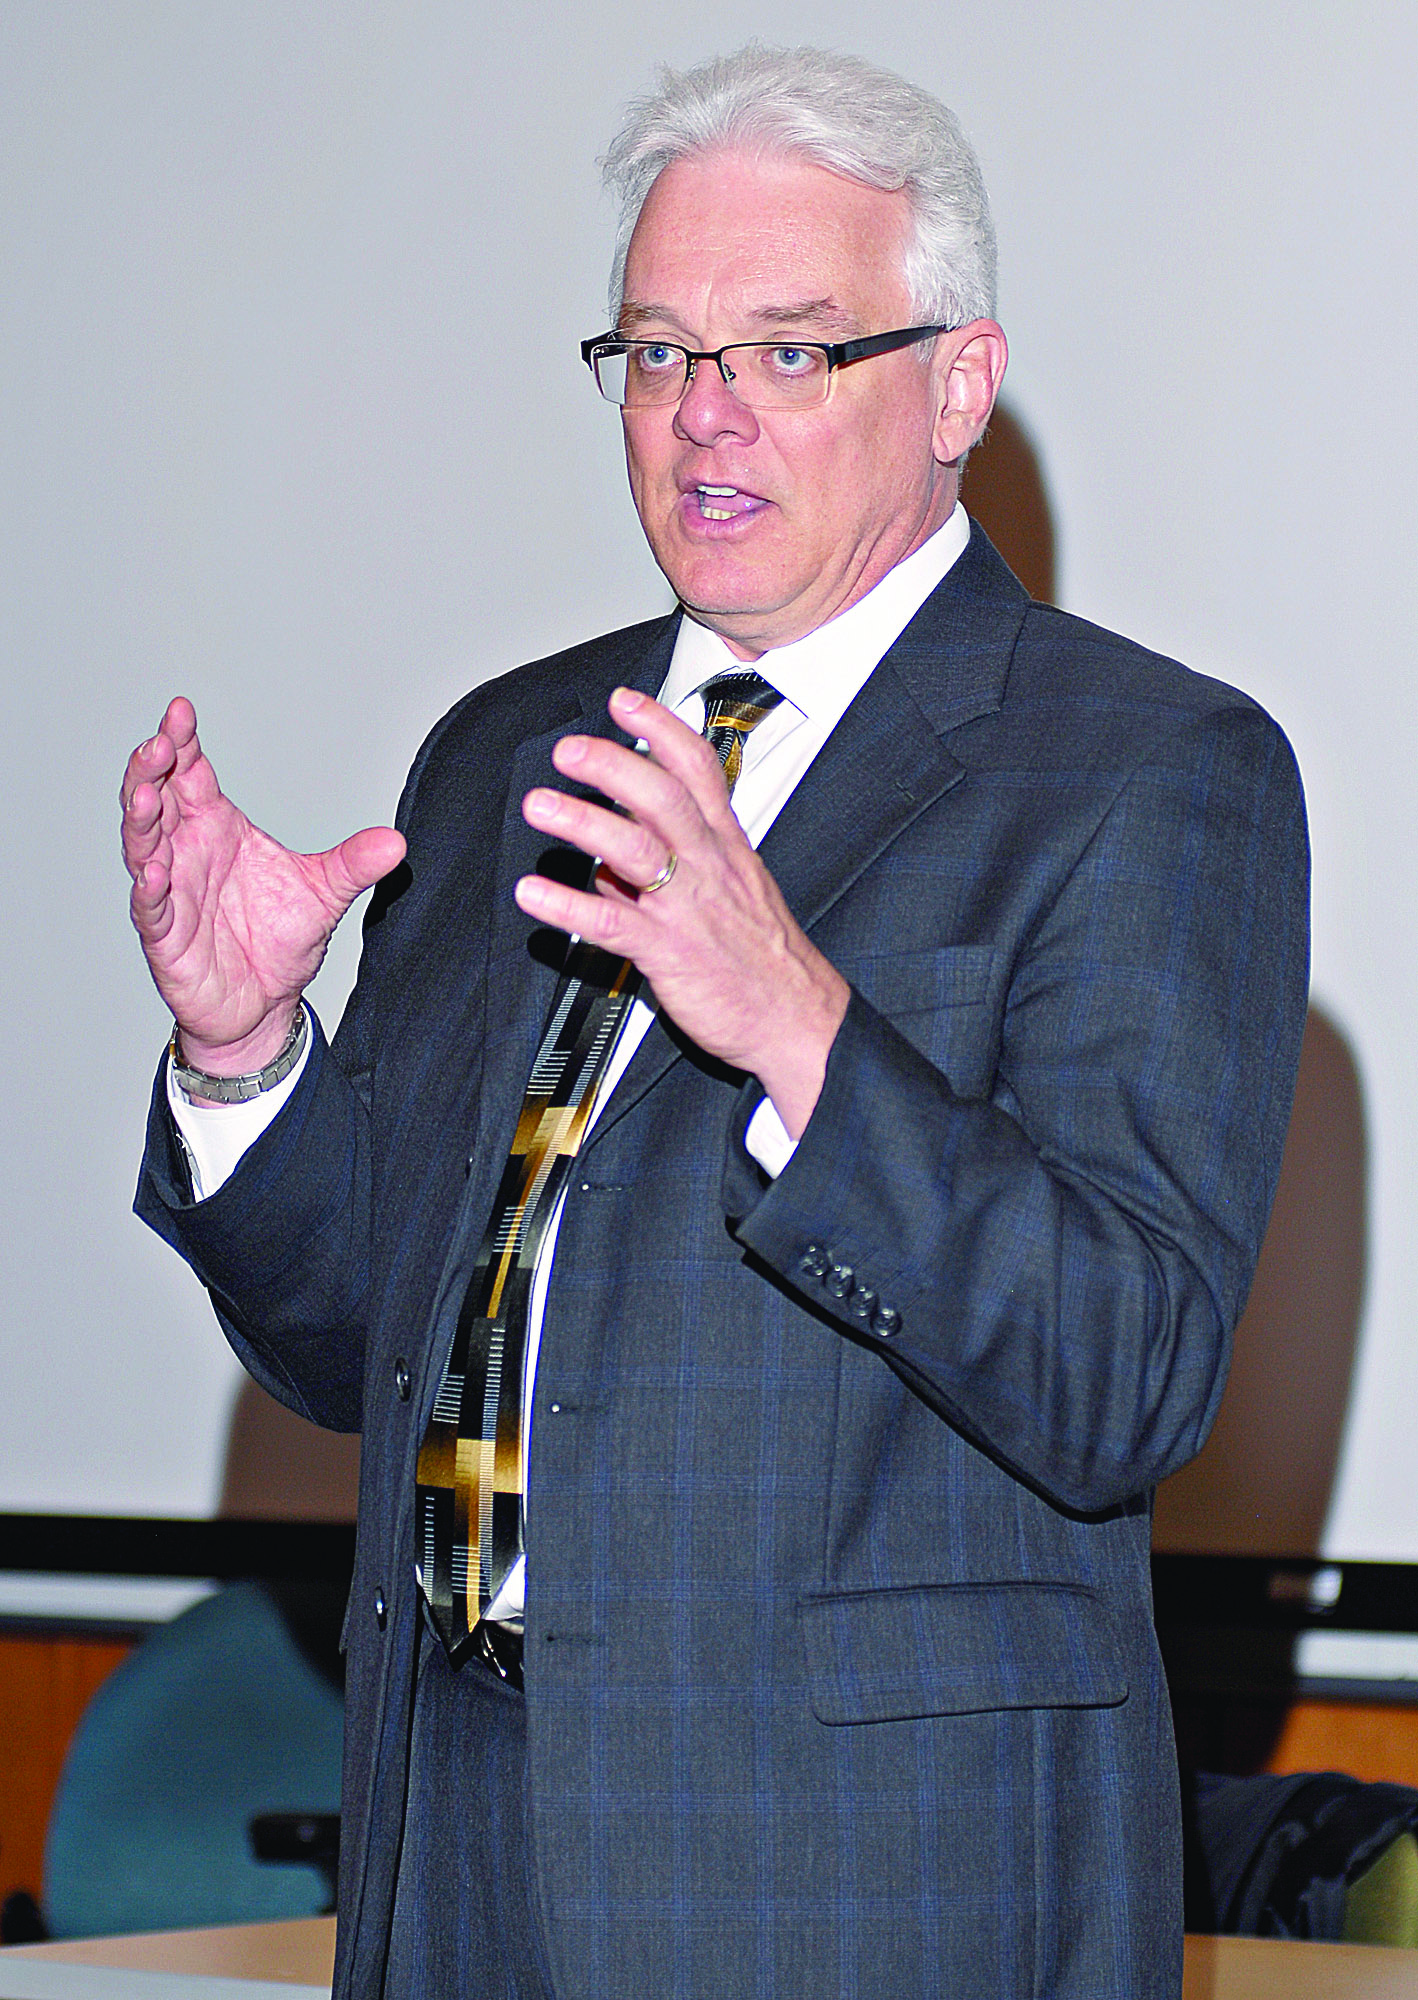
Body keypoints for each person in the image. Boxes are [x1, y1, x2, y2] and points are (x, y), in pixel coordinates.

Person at [123, 45, 1308, 2000]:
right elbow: (364, 1349)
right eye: (658, 354)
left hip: (867, 1894)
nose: (701, 418)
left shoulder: (1144, 773)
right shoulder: (511, 750)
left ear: (954, 385)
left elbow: (1130, 1372)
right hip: (459, 1850)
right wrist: (249, 1057)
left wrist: (804, 1035)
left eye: (784, 352)